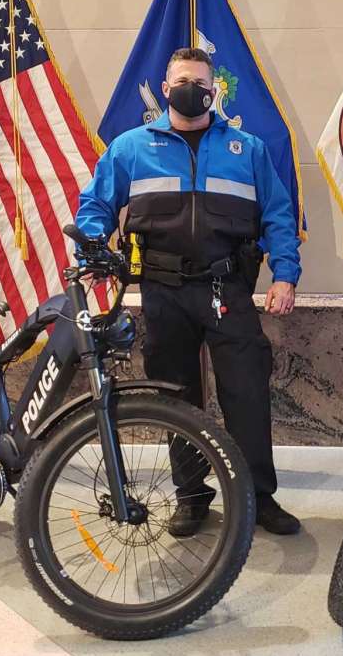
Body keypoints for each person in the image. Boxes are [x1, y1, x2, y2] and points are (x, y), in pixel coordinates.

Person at [76, 46, 303, 536]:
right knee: (177, 399)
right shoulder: (130, 147)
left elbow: (280, 216)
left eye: (202, 84)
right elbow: (95, 205)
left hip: (228, 288)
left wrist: (285, 274)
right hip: (164, 290)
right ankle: (192, 496)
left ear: (214, 90)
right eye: (183, 81)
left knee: (246, 394)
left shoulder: (249, 149)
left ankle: (257, 499)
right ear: (165, 87)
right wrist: (92, 254)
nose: (192, 90)